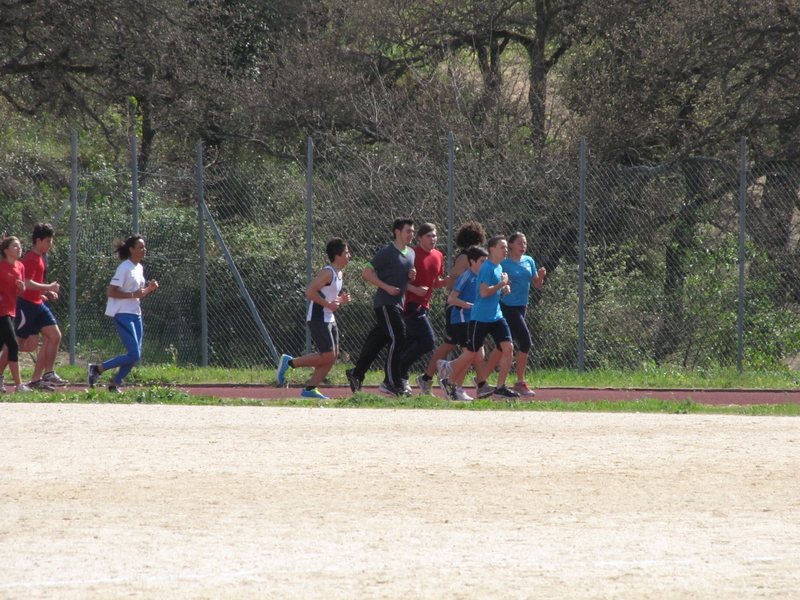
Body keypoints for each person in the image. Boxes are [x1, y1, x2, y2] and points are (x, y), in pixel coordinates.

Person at [436, 235, 520, 400]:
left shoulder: (498, 267)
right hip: (480, 318)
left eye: (506, 248)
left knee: (508, 347)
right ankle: (450, 380)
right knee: (472, 354)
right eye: (502, 247)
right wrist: (501, 284)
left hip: (496, 317)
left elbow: (493, 291)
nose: (506, 251)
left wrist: (504, 289)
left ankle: (500, 387)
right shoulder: (487, 268)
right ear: (492, 250)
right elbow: (483, 292)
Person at [417, 221, 489, 396]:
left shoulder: (475, 258)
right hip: (458, 308)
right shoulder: (466, 258)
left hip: (465, 308)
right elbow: (451, 283)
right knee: (470, 350)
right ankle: (458, 387)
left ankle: (427, 378)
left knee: (451, 345)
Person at [346, 218, 416, 397]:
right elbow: (366, 272)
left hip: (397, 305)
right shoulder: (386, 252)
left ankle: (356, 372)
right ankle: (392, 382)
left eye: (413, 231)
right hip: (385, 304)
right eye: (408, 231)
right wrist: (386, 287)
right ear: (397, 232)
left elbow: (403, 278)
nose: (411, 234)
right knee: (398, 338)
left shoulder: (411, 254)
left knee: (377, 341)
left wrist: (411, 277)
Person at [277, 238, 352, 399]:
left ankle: (310, 389)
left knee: (332, 356)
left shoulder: (339, 273)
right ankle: (289, 363)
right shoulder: (327, 272)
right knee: (327, 355)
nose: (349, 256)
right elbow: (310, 291)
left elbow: (331, 297)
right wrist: (328, 304)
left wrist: (341, 300)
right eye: (346, 253)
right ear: (337, 256)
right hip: (318, 318)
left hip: (329, 318)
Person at [87, 235, 159, 393]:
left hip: (136, 313)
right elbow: (110, 292)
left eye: (144, 247)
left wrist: (149, 289)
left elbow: (138, 294)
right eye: (140, 247)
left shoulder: (139, 268)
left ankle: (114, 384)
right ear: (131, 249)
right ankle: (97, 369)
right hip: (122, 313)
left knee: (135, 354)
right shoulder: (124, 268)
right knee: (134, 353)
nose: (144, 250)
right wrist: (133, 295)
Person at [0, 223, 64, 392]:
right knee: (16, 344)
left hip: (38, 304)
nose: (51, 245)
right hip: (26, 306)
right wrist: (48, 287)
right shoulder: (30, 258)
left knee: (54, 336)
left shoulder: (39, 258)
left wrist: (45, 293)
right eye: (48, 241)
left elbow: (29, 284)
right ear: (38, 240)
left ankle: (44, 375)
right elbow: (26, 283)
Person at [483, 232, 546, 397]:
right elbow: (496, 279)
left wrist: (541, 277)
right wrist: (504, 286)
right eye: (519, 243)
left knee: (500, 345)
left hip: (522, 306)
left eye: (524, 243)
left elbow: (536, 284)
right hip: (508, 306)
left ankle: (481, 379)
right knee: (525, 342)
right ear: (511, 245)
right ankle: (520, 382)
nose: (523, 246)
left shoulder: (529, 261)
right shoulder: (504, 263)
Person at [398, 223, 447, 394]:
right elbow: (400, 280)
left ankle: (397, 377)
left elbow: (435, 282)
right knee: (428, 341)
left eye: (434, 236)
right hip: (410, 305)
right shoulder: (412, 254)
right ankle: (399, 371)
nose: (432, 239)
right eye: (428, 236)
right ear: (419, 238)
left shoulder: (439, 255)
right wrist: (415, 290)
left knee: (411, 343)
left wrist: (451, 280)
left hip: (425, 305)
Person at [436, 245, 488, 400]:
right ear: (472, 261)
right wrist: (468, 306)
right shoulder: (466, 276)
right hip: (460, 319)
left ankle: (448, 367)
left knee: (478, 355)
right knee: (471, 354)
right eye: (482, 261)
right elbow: (451, 298)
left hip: (473, 320)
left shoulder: (483, 277)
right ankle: (456, 388)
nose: (485, 264)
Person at [0, 236, 30, 393]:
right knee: (13, 344)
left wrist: (22, 287)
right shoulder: (1, 266)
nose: (19, 249)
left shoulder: (20, 267)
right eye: (15, 246)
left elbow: (20, 290)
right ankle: (19, 385)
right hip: (1, 311)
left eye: (20, 246)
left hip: (11, 309)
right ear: (6, 251)